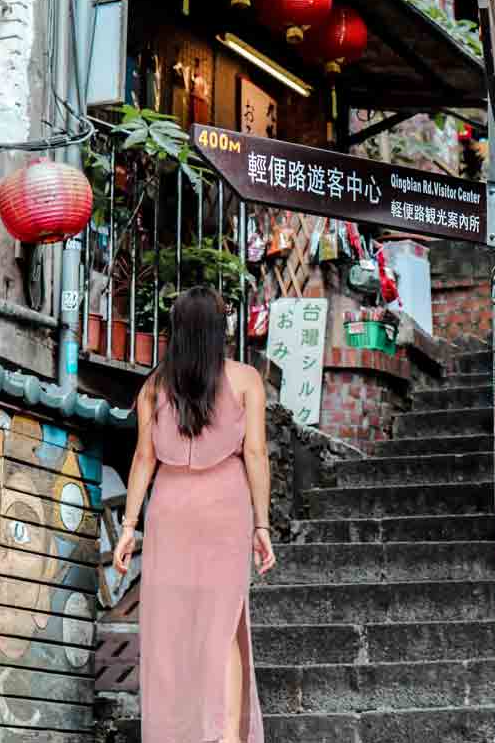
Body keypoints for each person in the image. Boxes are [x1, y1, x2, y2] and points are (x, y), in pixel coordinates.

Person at [113, 288, 276, 743]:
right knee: (223, 626)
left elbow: (144, 458)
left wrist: (128, 528)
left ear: (176, 333)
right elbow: (256, 453)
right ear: (218, 332)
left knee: (170, 632)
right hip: (226, 507)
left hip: (170, 511)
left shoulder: (153, 387)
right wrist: (262, 524)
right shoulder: (245, 380)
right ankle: (224, 736)